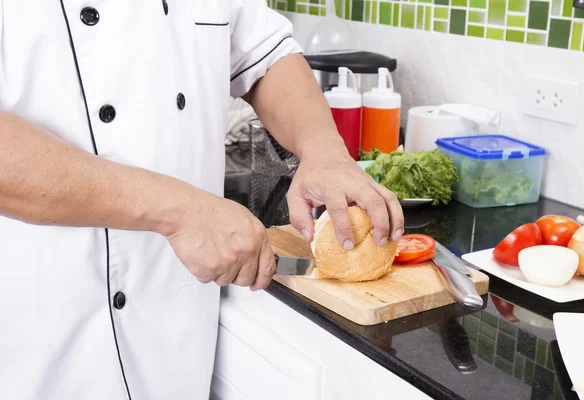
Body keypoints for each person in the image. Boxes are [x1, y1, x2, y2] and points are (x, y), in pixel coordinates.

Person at [0, 1, 404, 399]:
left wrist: (324, 150)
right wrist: (177, 211)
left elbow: (263, 54)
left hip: (175, 338)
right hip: (40, 332)